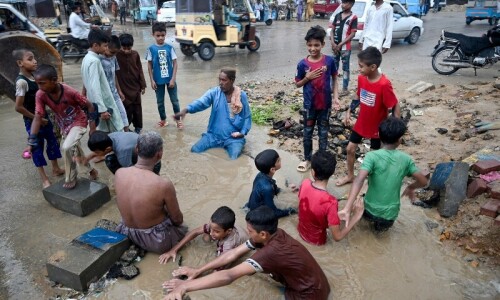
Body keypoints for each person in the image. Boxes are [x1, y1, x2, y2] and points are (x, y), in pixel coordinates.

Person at [163, 206, 331, 300]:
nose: (246, 233)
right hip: (315, 284)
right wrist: (198, 270)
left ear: (263, 233)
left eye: (250, 231)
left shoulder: (270, 251)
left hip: (308, 295)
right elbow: (234, 253)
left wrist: (185, 286)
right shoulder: (273, 234)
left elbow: (229, 276)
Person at [339, 117, 428, 232]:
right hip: (389, 214)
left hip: (369, 209)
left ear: (379, 135)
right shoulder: (406, 160)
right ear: (400, 140)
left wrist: (347, 208)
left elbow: (359, 180)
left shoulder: (372, 156)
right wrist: (411, 187)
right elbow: (423, 181)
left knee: (363, 232)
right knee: (380, 236)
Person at [336, 47, 400, 186]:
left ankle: (373, 181)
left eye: (361, 66)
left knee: (373, 156)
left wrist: (397, 129)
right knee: (350, 149)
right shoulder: (362, 78)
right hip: (362, 122)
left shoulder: (384, 84)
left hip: (377, 128)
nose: (359, 69)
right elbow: (358, 95)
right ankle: (350, 175)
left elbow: (395, 104)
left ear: (373, 67)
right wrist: (349, 110)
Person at [115, 131, 186, 253]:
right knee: (183, 228)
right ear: (159, 155)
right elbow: (177, 219)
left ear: (136, 149)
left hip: (126, 232)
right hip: (157, 242)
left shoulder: (119, 173)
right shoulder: (163, 184)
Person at [30, 64, 98, 189]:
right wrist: (32, 138)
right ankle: (90, 170)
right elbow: (38, 116)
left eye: (42, 83)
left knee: (66, 147)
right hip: (64, 125)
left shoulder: (69, 91)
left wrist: (92, 129)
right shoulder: (41, 94)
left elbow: (90, 106)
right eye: (37, 83)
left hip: (79, 121)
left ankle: (71, 177)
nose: (39, 87)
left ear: (54, 80)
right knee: (74, 149)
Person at [173, 68, 252, 160]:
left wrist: (242, 133)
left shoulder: (241, 96)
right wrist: (186, 110)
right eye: (219, 79)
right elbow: (201, 102)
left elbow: (247, 117)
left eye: (224, 80)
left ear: (232, 80)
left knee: (234, 158)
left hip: (233, 138)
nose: (220, 83)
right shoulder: (214, 93)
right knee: (195, 150)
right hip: (213, 136)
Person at [13, 49, 64, 188]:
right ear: (20, 63)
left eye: (34, 58)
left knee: (53, 141)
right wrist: (37, 119)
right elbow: (18, 107)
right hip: (32, 121)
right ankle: (44, 178)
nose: (35, 61)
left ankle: (55, 168)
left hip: (44, 117)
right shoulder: (22, 83)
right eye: (30, 59)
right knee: (37, 147)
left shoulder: (36, 77)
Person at [295, 26, 339, 172]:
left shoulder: (329, 61)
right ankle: (307, 159)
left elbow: (335, 78)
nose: (313, 48)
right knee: (307, 133)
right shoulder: (302, 64)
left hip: (325, 105)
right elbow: (297, 84)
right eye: (310, 45)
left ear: (323, 45)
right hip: (309, 106)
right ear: (306, 44)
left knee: (323, 133)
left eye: (316, 45)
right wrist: (307, 78)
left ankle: (321, 160)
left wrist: (336, 97)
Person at [298, 151, 364, 245]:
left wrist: (334, 216)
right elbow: (337, 237)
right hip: (317, 243)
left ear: (312, 172)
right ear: (332, 173)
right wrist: (355, 217)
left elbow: (309, 209)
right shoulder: (331, 202)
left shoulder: (304, 183)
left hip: (301, 234)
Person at [158, 206, 249, 264]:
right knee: (206, 236)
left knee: (219, 259)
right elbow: (195, 232)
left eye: (216, 231)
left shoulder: (228, 245)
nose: (211, 232)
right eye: (211, 228)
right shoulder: (215, 226)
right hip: (229, 234)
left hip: (237, 244)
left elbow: (219, 267)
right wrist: (174, 250)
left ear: (228, 231)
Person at [82, 29, 124, 133]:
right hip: (103, 105)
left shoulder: (86, 59)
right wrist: (102, 109)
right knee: (115, 132)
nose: (106, 49)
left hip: (96, 104)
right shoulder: (94, 61)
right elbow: (94, 87)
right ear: (96, 45)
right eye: (105, 46)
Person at [146, 22, 182, 129]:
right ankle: (163, 120)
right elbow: (149, 65)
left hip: (170, 80)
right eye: (158, 35)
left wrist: (173, 79)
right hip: (158, 80)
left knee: (175, 101)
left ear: (165, 34)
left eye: (162, 35)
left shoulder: (170, 48)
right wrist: (152, 80)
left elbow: (175, 63)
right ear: (153, 35)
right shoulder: (151, 49)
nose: (161, 38)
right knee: (160, 102)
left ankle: (178, 120)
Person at [245, 149, 297, 218]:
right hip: (257, 216)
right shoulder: (267, 188)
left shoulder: (260, 174)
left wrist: (287, 191)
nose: (281, 159)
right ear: (272, 169)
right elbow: (273, 213)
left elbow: (275, 189)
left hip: (250, 206)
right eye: (278, 160)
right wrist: (292, 210)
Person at [86, 130, 161, 174]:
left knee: (110, 160)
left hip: (152, 163)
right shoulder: (109, 137)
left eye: (97, 152)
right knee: (110, 158)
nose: (96, 154)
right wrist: (88, 158)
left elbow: (132, 171)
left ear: (107, 149)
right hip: (141, 151)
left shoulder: (123, 153)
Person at [116, 33, 146, 134]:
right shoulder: (116, 55)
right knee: (126, 109)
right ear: (120, 46)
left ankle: (138, 128)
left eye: (129, 48)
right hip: (123, 88)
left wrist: (143, 85)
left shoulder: (135, 54)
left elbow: (140, 70)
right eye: (124, 48)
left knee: (137, 109)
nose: (126, 51)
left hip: (135, 86)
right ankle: (126, 128)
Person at [100, 35, 129, 131]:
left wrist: (119, 91)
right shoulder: (98, 60)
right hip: (104, 96)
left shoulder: (113, 58)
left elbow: (114, 75)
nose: (112, 55)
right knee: (108, 123)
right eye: (111, 52)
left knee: (124, 118)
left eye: (115, 53)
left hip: (115, 94)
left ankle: (127, 137)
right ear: (106, 46)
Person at [330, 0, 358, 96]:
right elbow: (332, 30)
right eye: (342, 2)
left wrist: (341, 44)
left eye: (346, 3)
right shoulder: (337, 15)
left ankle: (345, 88)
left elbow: (352, 34)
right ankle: (332, 87)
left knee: (345, 68)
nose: (343, 5)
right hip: (335, 47)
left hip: (345, 48)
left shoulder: (353, 17)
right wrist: (333, 43)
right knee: (334, 67)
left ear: (351, 4)